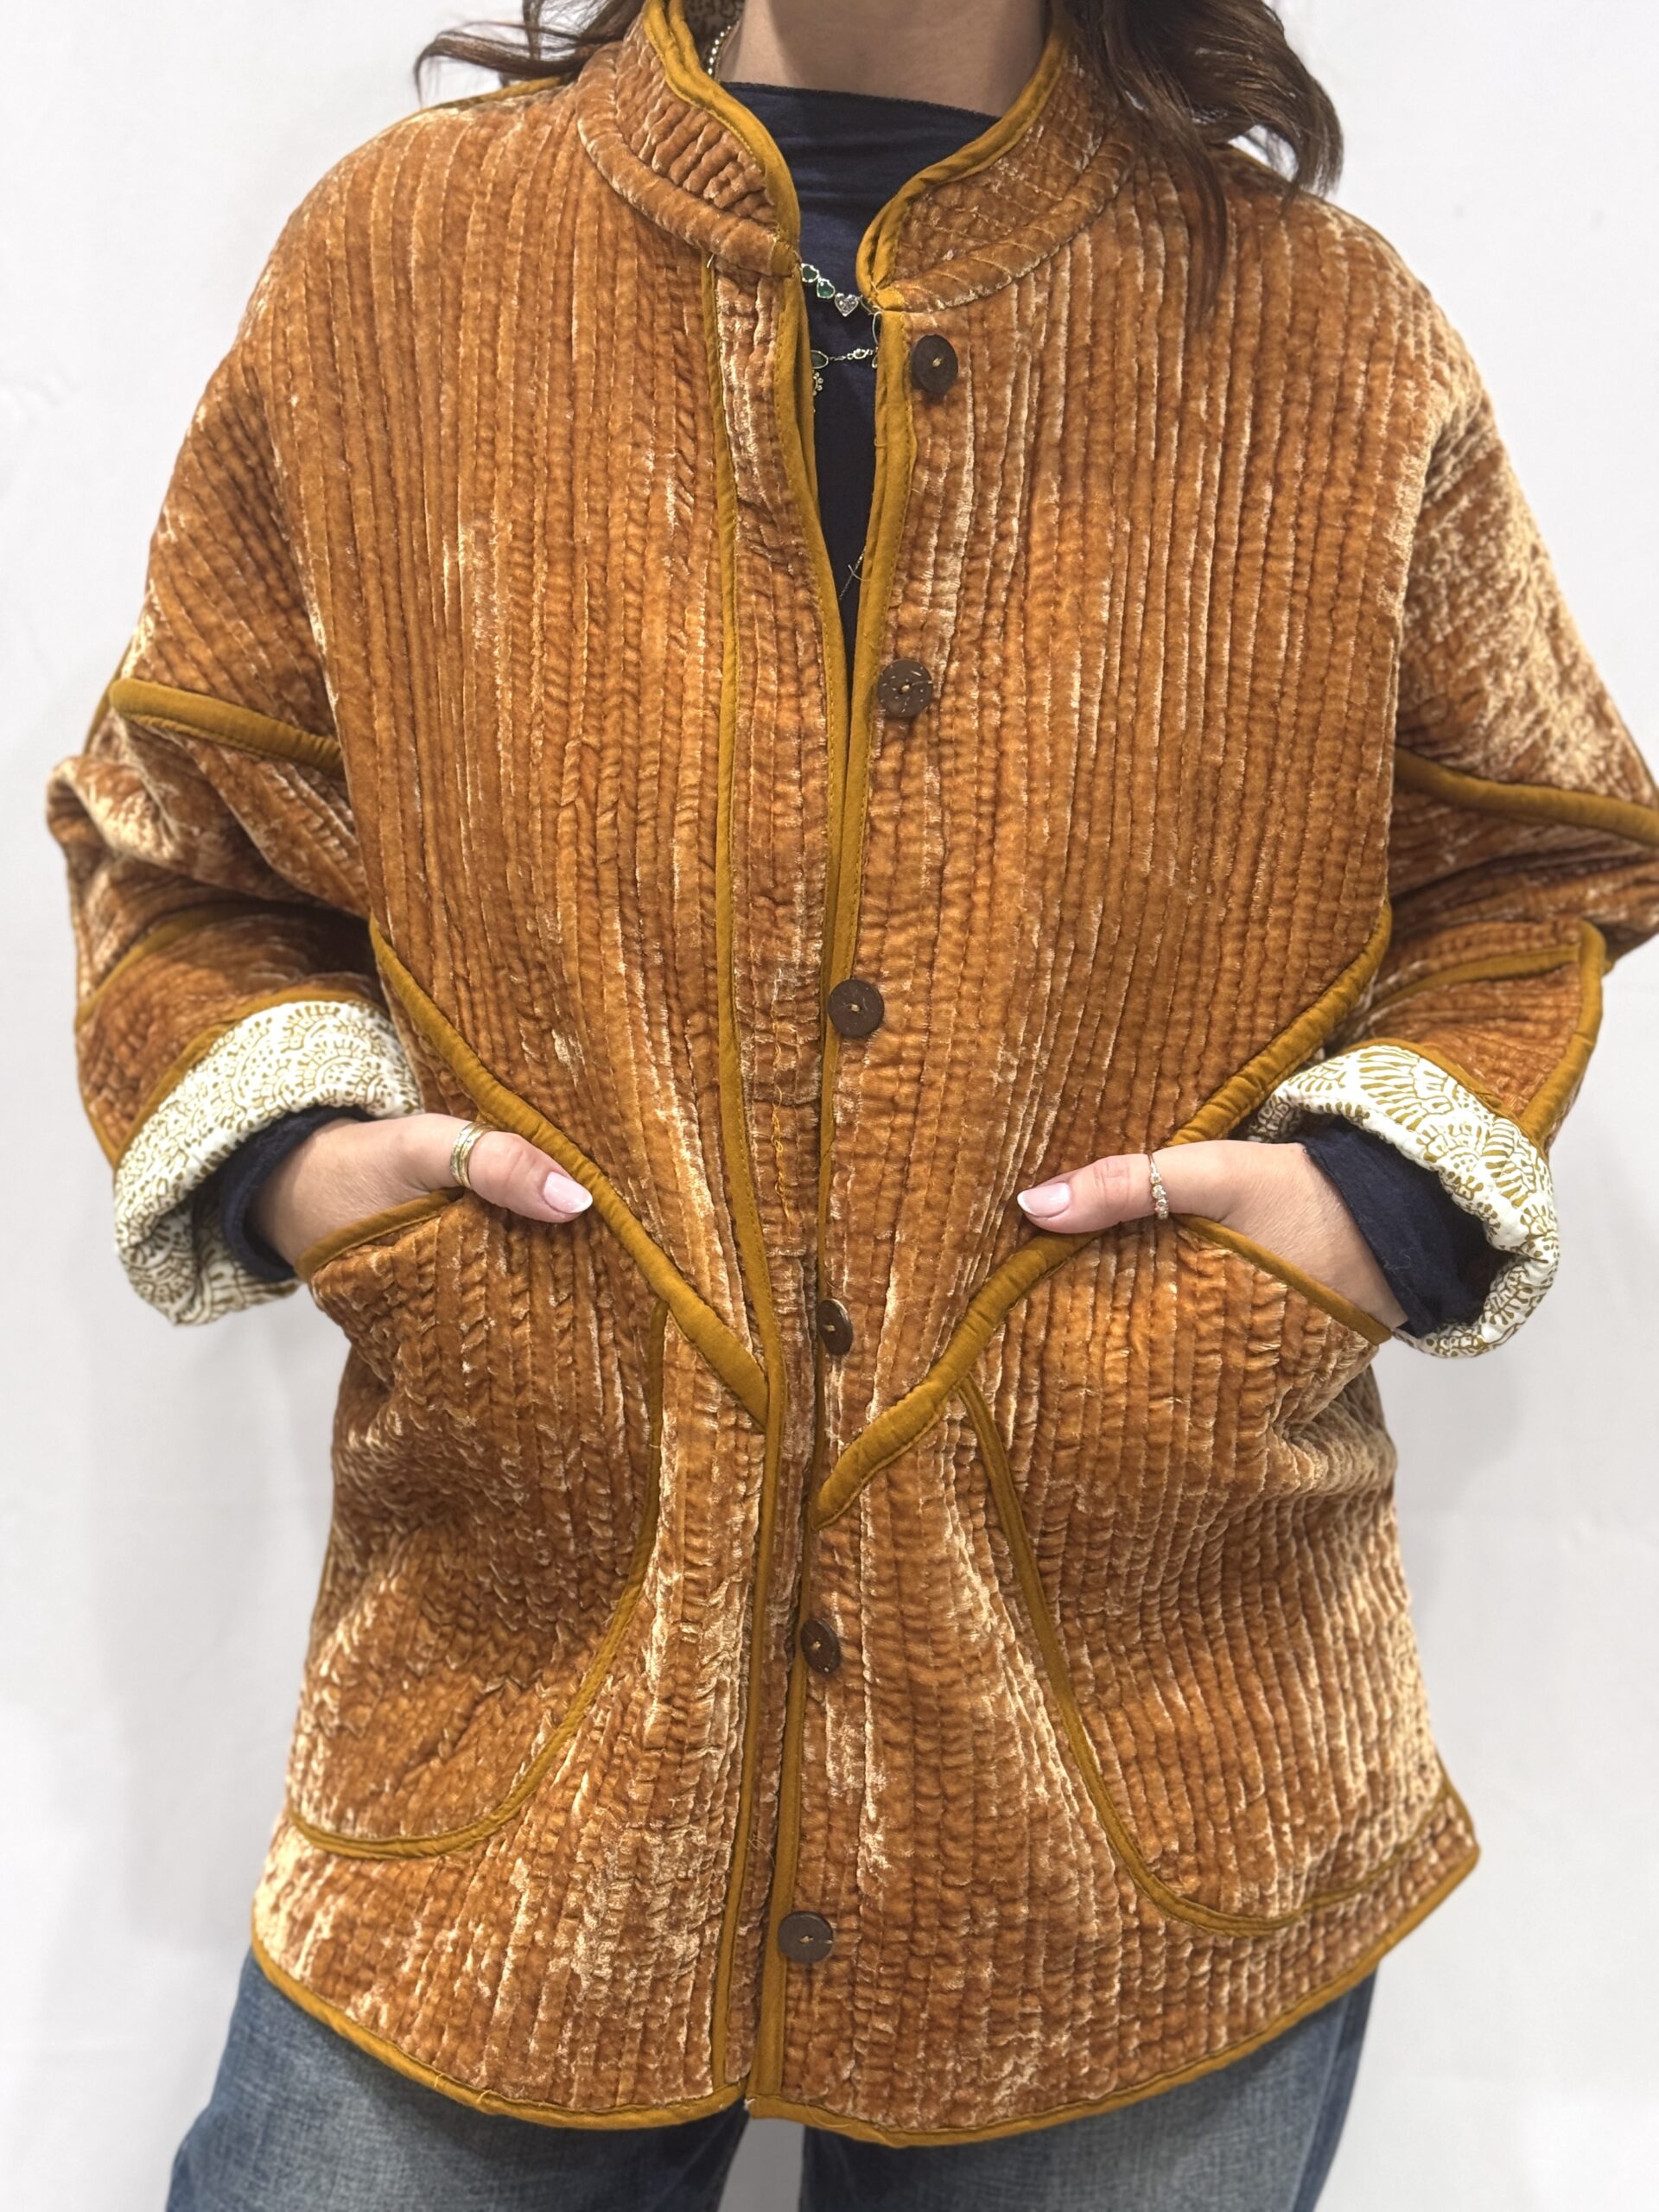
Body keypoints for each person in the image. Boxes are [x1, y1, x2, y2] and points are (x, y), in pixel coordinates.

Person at [46, 1, 1659, 2205]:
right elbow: (183, 841)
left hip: (1148, 1764)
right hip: (514, 1724)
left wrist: (1367, 1207)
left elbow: (1538, 859)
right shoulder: (400, 271)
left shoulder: (1324, 332)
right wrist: (312, 1171)